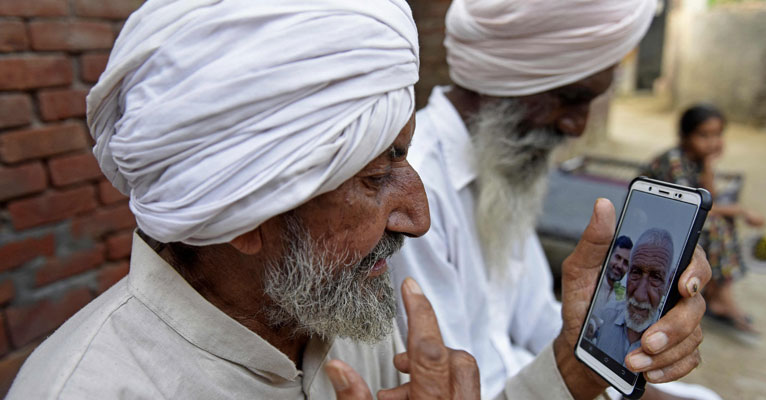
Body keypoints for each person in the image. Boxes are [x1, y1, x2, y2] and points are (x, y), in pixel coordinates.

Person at [7, 1, 486, 398]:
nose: (419, 218)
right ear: (245, 219)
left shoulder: (334, 304)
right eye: (377, 175)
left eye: (403, 156)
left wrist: (559, 373)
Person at [389, 0, 711, 399]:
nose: (577, 126)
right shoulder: (415, 191)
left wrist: (621, 375)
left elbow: (540, 320)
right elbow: (457, 385)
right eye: (570, 97)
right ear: (507, 77)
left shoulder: (503, 172)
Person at [643, 104, 764, 335]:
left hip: (679, 216)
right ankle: (721, 298)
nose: (712, 141)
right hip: (656, 218)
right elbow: (696, 206)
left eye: (717, 135)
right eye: (703, 135)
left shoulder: (697, 160)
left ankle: (719, 294)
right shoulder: (674, 161)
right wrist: (741, 210)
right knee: (717, 224)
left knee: (720, 223)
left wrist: (709, 165)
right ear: (685, 136)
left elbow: (710, 198)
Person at [595, 229, 674, 365]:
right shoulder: (605, 316)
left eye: (655, 277)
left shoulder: (669, 338)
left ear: (668, 284)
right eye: (636, 273)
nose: (639, 295)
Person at [597, 235, 634, 311]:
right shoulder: (592, 285)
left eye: (626, 263)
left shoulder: (619, 300)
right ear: (609, 255)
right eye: (618, 257)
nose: (620, 266)